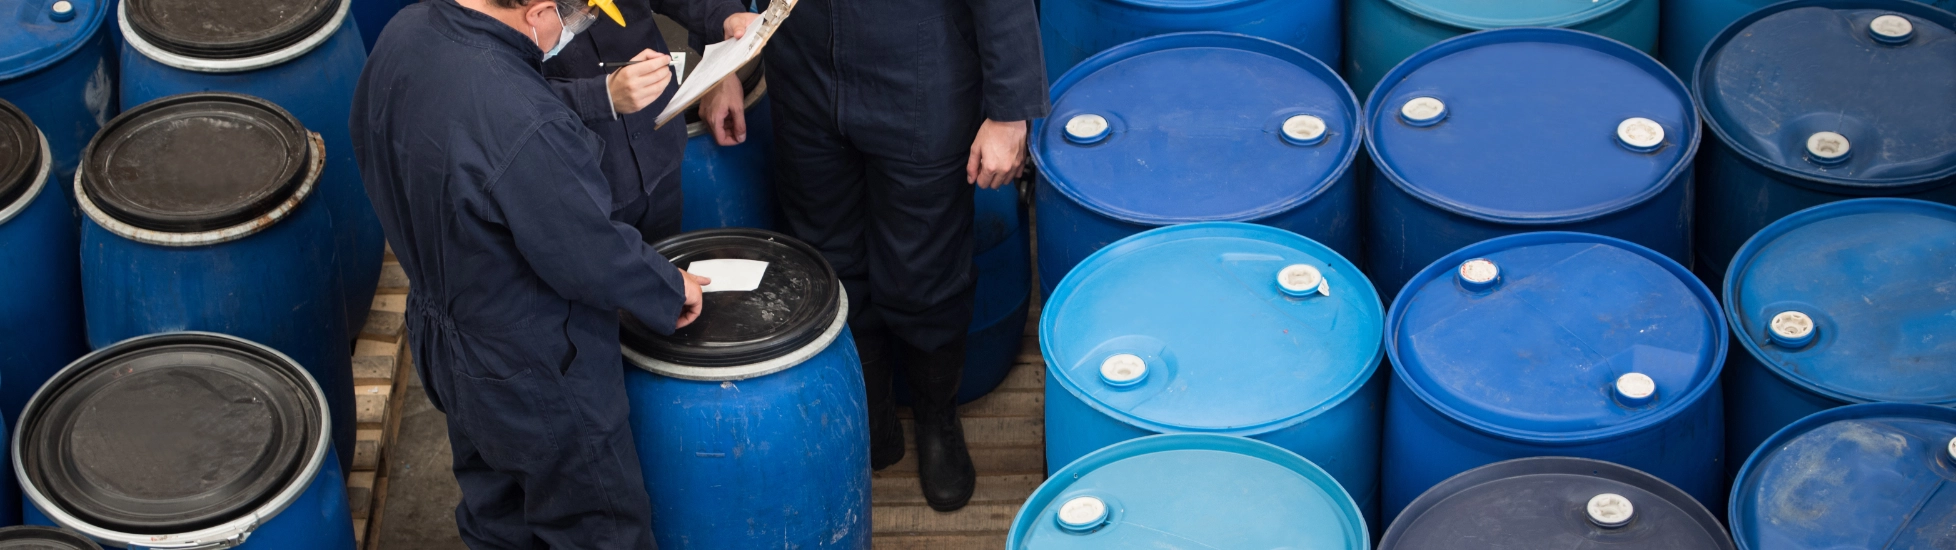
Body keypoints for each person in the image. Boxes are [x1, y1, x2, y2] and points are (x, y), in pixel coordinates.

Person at [348, 0, 712, 546]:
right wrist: (666, 286)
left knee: (497, 519)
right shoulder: (522, 115)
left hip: (443, 336)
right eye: (573, 19)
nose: (570, 34)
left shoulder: (406, 33)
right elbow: (583, 249)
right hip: (536, 369)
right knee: (597, 529)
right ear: (537, 10)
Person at [742, 0, 1049, 511]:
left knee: (925, 270)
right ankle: (871, 417)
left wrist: (1009, 112)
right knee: (829, 258)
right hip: (802, 69)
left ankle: (937, 421)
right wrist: (726, 52)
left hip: (919, 67)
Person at [541, 0, 754, 243]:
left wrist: (724, 17)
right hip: (581, 178)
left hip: (658, 150)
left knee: (669, 268)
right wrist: (602, 96)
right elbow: (498, 91)